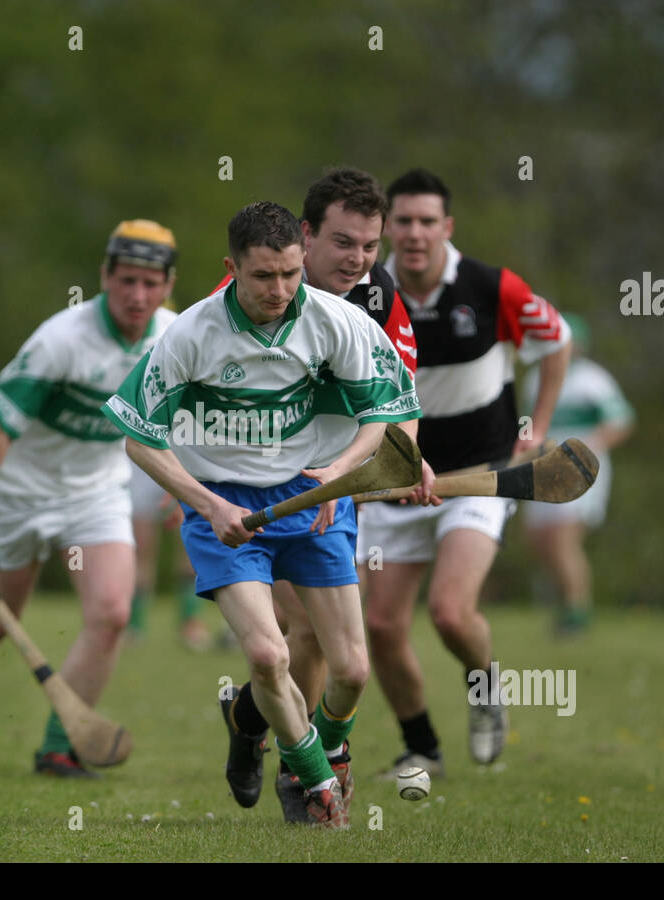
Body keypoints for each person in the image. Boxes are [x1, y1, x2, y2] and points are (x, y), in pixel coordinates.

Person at [104, 201, 421, 828]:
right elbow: (138, 435)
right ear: (233, 269)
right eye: (263, 277)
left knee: (353, 670)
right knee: (270, 658)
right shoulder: (191, 334)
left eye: (290, 274)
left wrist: (338, 476)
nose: (279, 290)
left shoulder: (338, 321)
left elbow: (385, 414)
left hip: (311, 500)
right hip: (225, 507)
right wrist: (207, 503)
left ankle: (302, 740)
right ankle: (315, 784)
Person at [209, 168, 431, 822]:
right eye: (342, 243)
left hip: (335, 483)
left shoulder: (380, 298)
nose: (358, 259)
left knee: (318, 648)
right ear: (304, 236)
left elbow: (401, 400)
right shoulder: (246, 296)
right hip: (255, 491)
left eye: (370, 245)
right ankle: (309, 767)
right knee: (295, 633)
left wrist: (406, 453)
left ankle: (259, 726)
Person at [0, 220, 178, 776]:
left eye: (151, 283)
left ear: (168, 285)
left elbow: (185, 416)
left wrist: (185, 488)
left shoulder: (173, 337)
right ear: (105, 276)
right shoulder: (61, 340)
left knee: (112, 614)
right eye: (128, 280)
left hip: (97, 493)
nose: (138, 296)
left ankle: (61, 744)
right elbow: (0, 430)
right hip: (22, 493)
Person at [363, 168, 570, 778]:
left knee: (450, 613)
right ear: (387, 228)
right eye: (402, 221)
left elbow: (554, 344)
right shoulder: (367, 291)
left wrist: (535, 430)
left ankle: (484, 693)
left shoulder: (491, 286)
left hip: (479, 478)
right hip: (396, 482)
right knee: (380, 624)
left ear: (446, 227)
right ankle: (421, 747)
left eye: (428, 221)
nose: (415, 233)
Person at [521, 313, 634, 636]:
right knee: (538, 538)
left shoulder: (593, 380)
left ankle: (577, 611)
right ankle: (564, 602)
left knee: (563, 538)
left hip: (583, 470)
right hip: (545, 468)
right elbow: (532, 427)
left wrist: (586, 448)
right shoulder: (534, 379)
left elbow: (621, 421)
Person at [126, 458, 216, 651]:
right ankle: (134, 626)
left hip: (181, 459)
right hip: (143, 459)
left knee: (191, 546)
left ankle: (190, 623)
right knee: (140, 549)